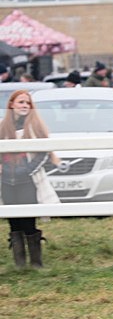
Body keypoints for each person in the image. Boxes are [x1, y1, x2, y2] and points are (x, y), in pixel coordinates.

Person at [1, 90, 61, 268]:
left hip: (28, 180)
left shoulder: (35, 127)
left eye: (27, 103)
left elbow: (44, 153)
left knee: (28, 221)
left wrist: (27, 170)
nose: (24, 106)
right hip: (6, 181)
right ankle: (19, 263)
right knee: (14, 222)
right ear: (12, 104)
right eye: (21, 102)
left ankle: (36, 263)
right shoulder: (2, 127)